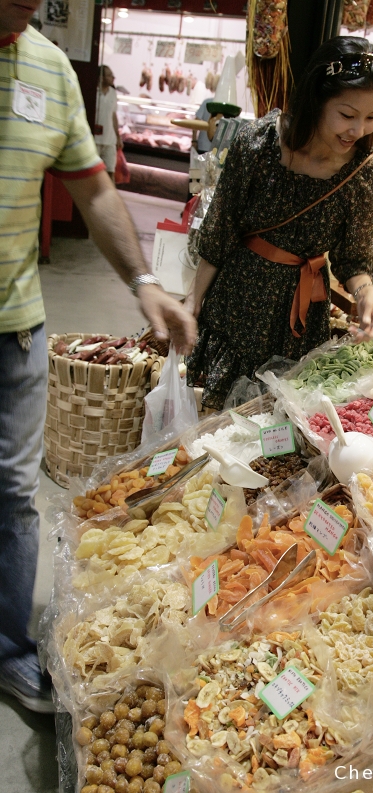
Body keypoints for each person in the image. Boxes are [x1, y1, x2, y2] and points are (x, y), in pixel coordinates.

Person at [0, 0, 197, 713]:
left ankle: (9, 650)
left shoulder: (50, 71)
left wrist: (145, 283)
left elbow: (94, 190)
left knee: (15, 496)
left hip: (14, 330)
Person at [185, 36, 373, 410]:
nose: (358, 130)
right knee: (213, 421)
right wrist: (193, 301)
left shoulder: (365, 177)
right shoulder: (257, 145)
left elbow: (357, 260)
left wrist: (366, 295)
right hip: (237, 302)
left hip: (300, 321)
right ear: (316, 101)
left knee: (278, 431)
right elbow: (220, 232)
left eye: (372, 117)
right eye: (347, 115)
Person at [95, 64, 121, 180]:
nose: (113, 78)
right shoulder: (93, 91)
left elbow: (114, 116)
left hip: (110, 141)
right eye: (110, 75)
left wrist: (118, 137)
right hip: (94, 141)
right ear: (101, 77)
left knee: (110, 172)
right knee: (93, 173)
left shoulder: (113, 93)